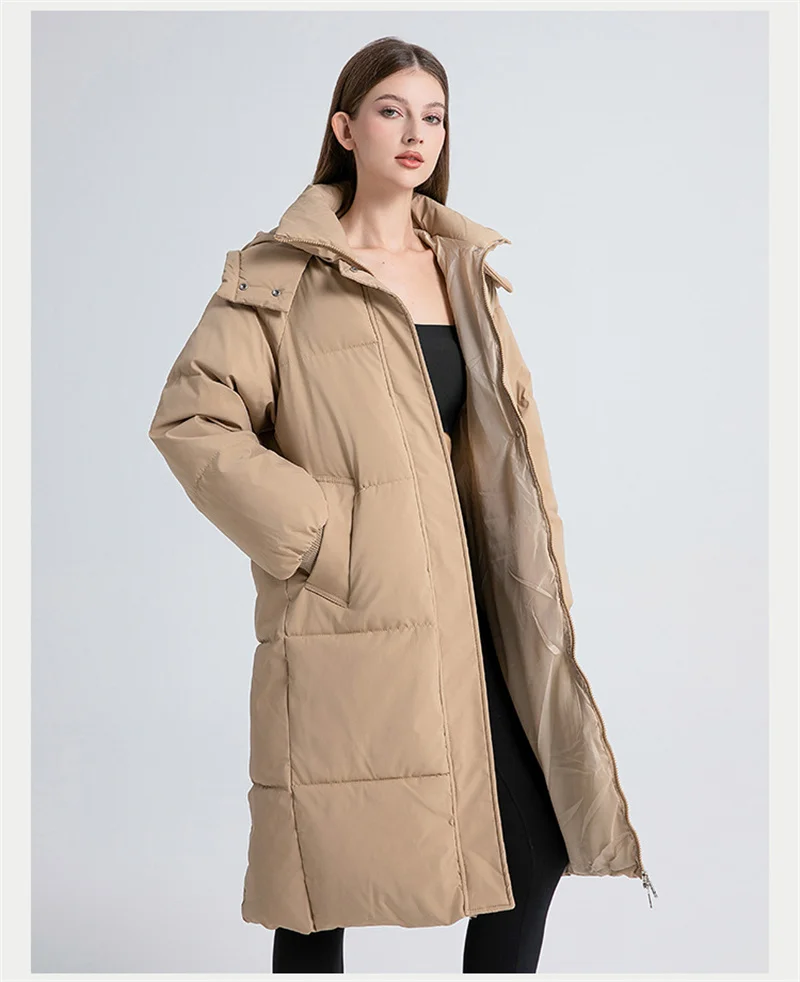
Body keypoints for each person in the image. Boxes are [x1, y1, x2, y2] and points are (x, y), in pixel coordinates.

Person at [149, 35, 655, 977]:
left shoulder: (463, 267)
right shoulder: (281, 272)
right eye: (391, 111)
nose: (416, 132)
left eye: (434, 115)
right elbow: (192, 419)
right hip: (350, 609)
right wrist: (324, 537)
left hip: (473, 604)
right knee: (321, 877)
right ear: (345, 129)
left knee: (532, 848)